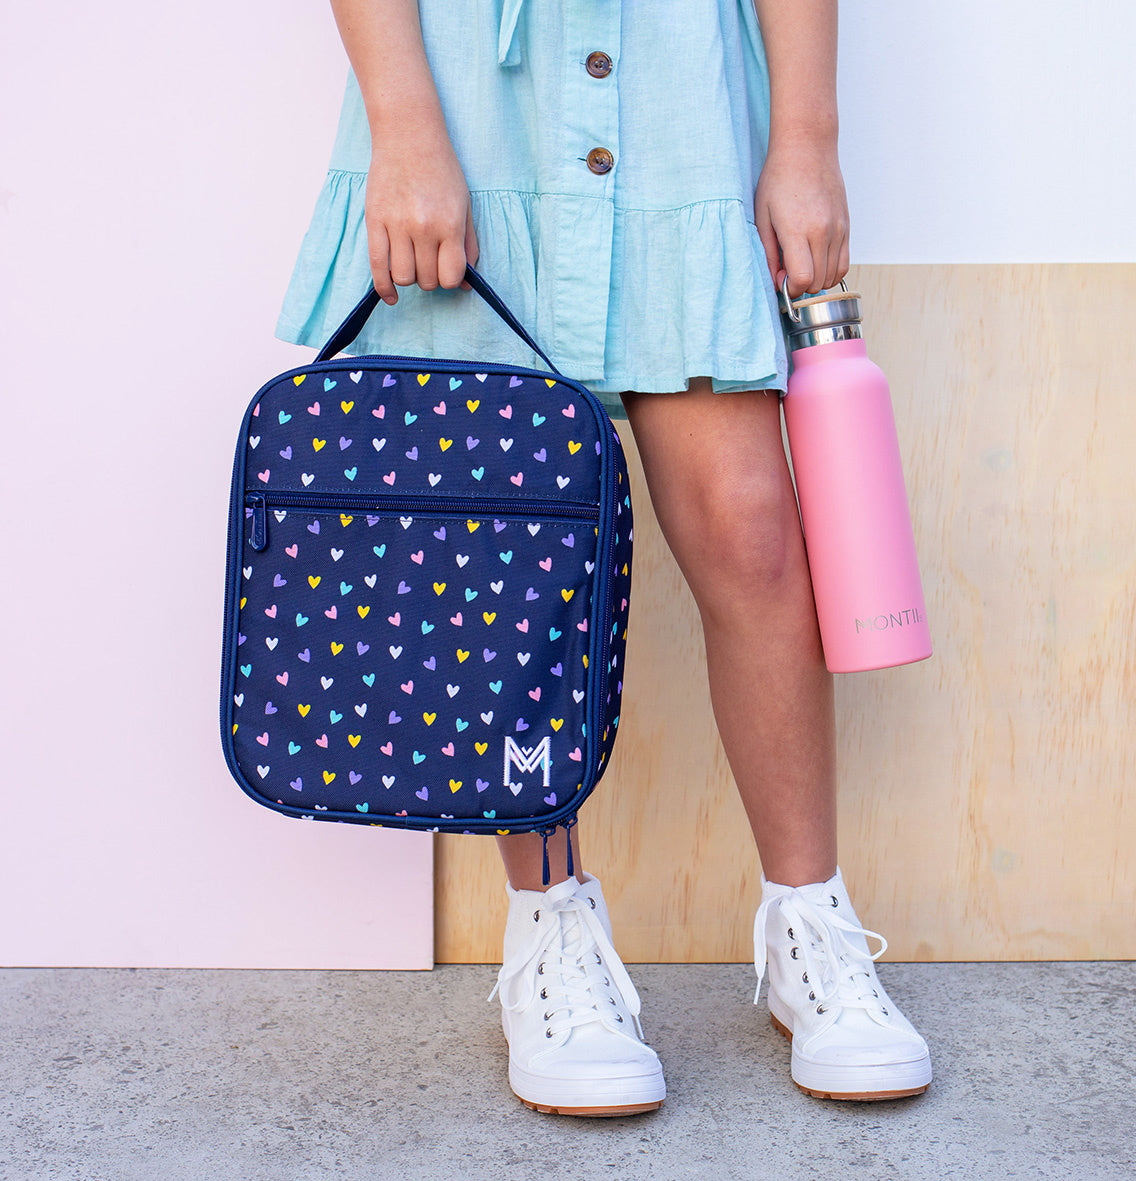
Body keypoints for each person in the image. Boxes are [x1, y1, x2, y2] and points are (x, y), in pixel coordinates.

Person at [277, 0, 932, 1116]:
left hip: (682, 99)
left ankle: (808, 926)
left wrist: (806, 139)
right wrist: (403, 125)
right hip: (476, 107)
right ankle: (551, 930)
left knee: (749, 530)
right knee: (504, 549)